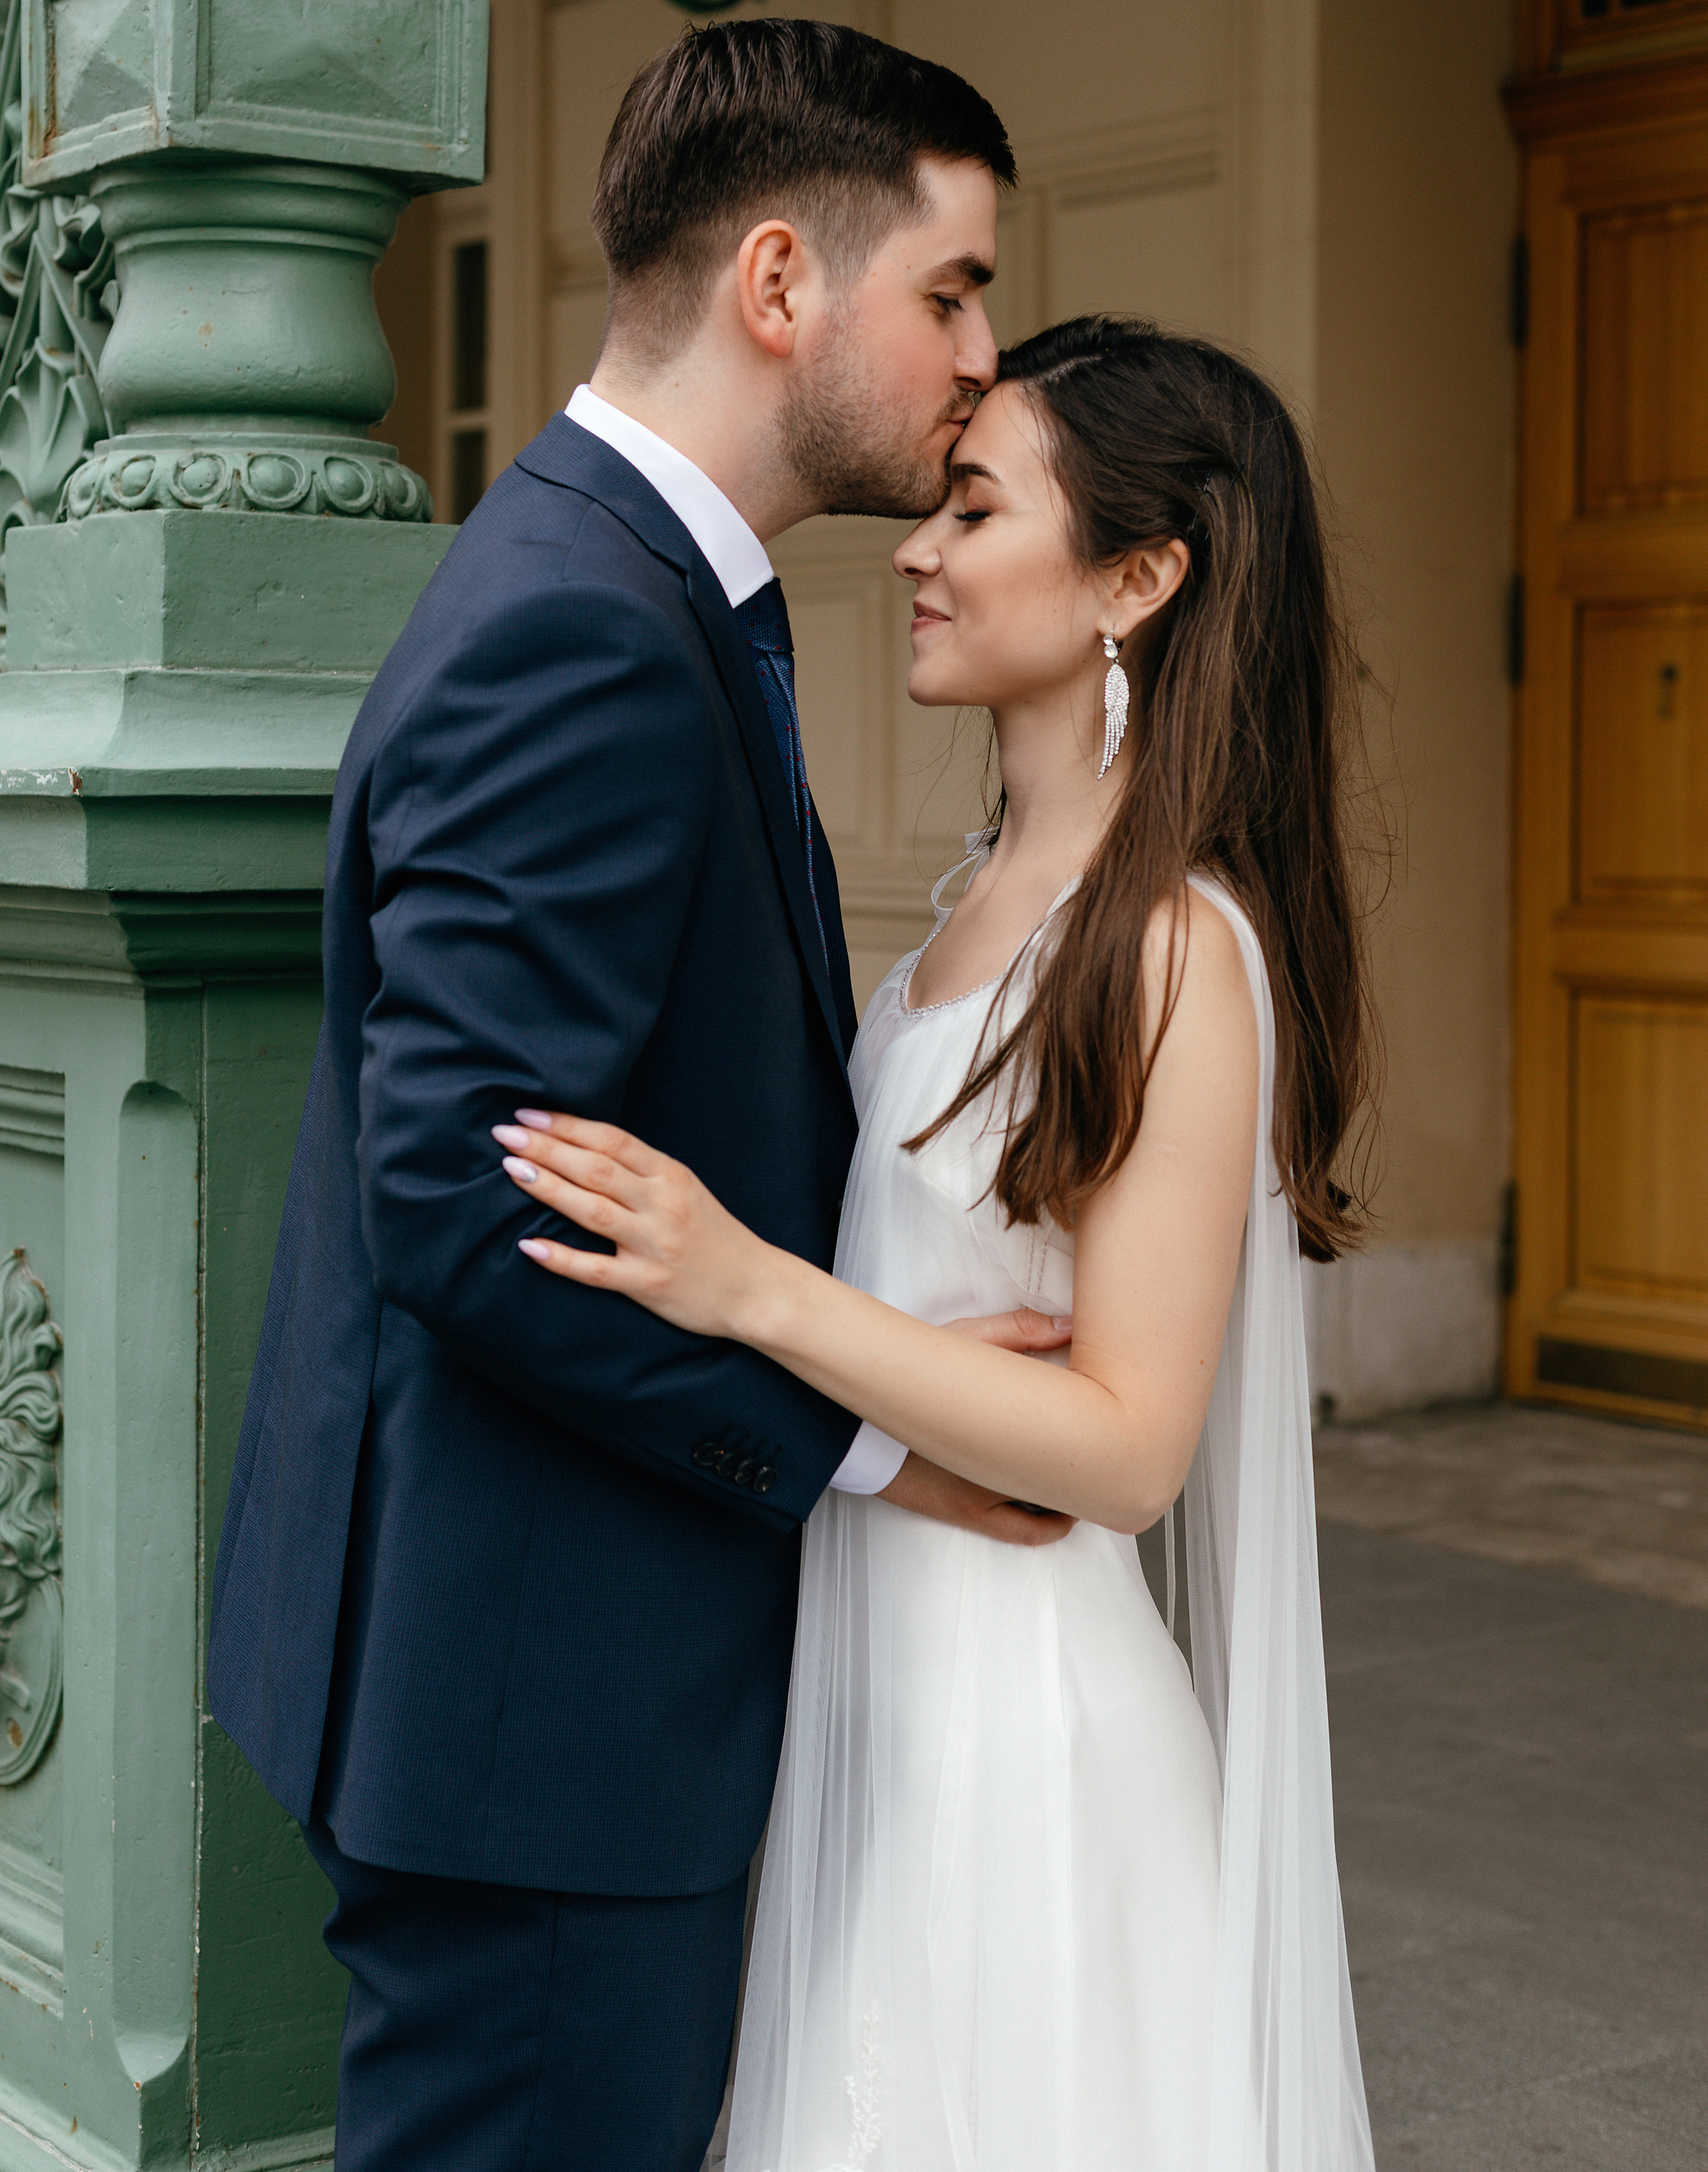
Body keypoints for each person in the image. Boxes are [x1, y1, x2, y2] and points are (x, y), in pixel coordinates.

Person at [206, 18, 1079, 2172]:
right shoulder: (588, 625)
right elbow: (468, 1197)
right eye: (951, 292)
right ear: (783, 283)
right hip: (547, 1718)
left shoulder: (631, 583)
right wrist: (880, 1437)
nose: (982, 353)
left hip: (542, 1689)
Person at [500, 315, 1380, 2171]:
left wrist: (745, 1283)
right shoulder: (981, 894)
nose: (916, 542)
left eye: (976, 508)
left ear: (1138, 578)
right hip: (871, 1686)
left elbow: (1133, 1446)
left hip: (1019, 1750)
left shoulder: (1170, 951)